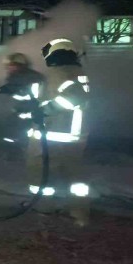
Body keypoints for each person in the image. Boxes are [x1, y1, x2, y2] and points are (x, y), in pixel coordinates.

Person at [25, 38, 91, 227]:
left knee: (41, 174)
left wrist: (45, 110)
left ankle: (45, 208)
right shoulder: (75, 73)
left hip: (52, 136)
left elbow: (75, 97)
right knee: (74, 177)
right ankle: (78, 212)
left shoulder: (64, 73)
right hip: (71, 138)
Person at [1, 53, 45, 149]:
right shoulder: (16, 77)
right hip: (21, 110)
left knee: (22, 130)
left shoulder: (31, 78)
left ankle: (18, 148)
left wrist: (11, 92)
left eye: (12, 65)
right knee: (12, 126)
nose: (9, 68)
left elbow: (32, 96)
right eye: (8, 66)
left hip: (28, 111)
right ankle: (11, 147)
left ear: (20, 65)